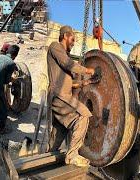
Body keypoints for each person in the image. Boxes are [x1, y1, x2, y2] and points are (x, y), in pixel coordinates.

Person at [47, 26, 98, 167]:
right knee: (83, 115)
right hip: (59, 96)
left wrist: (84, 82)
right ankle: (72, 156)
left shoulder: (63, 54)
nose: (74, 42)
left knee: (60, 130)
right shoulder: (55, 47)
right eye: (73, 39)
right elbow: (68, 64)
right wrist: (88, 70)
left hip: (62, 96)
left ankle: (47, 156)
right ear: (65, 36)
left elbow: (70, 83)